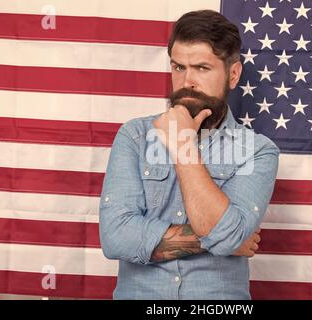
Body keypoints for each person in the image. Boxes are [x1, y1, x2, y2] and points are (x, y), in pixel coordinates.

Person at [99, 9, 279, 300]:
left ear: (233, 75)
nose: (187, 82)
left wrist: (183, 147)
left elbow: (229, 236)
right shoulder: (134, 136)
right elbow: (116, 238)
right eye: (179, 67)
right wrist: (222, 239)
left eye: (202, 68)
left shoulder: (258, 150)